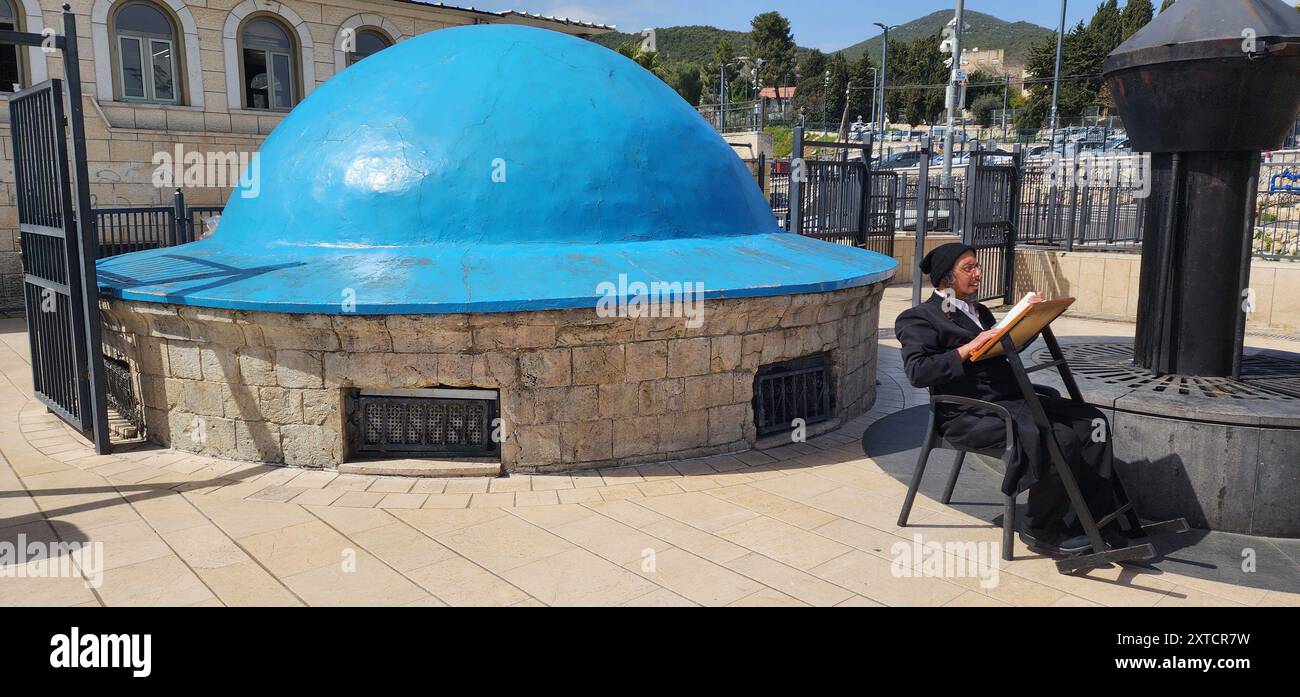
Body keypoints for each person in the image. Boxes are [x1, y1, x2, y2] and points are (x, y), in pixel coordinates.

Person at [893, 243, 1125, 557]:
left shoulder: (980, 311)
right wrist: (969, 347)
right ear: (946, 279)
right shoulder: (919, 318)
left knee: (1092, 421)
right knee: (1061, 438)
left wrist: (1027, 318)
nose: (978, 273)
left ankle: (1097, 520)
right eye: (969, 268)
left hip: (1012, 398)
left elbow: (1004, 346)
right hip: (970, 413)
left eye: (977, 266)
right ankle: (1041, 528)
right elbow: (918, 372)